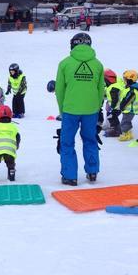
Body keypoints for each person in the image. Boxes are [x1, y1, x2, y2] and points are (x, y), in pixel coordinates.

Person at [54, 32, 104, 185]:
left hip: (70, 110)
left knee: (67, 142)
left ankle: (70, 176)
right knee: (90, 140)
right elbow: (100, 90)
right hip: (91, 110)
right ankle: (92, 171)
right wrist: (96, 107)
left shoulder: (65, 63)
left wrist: (62, 110)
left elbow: (59, 90)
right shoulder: (97, 64)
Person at [117, 70, 138, 141]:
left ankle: (125, 134)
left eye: (125, 79)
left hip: (129, 110)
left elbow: (127, 100)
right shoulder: (130, 87)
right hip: (129, 110)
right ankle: (129, 132)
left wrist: (122, 106)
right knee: (127, 121)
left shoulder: (132, 90)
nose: (124, 80)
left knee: (124, 122)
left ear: (130, 80)